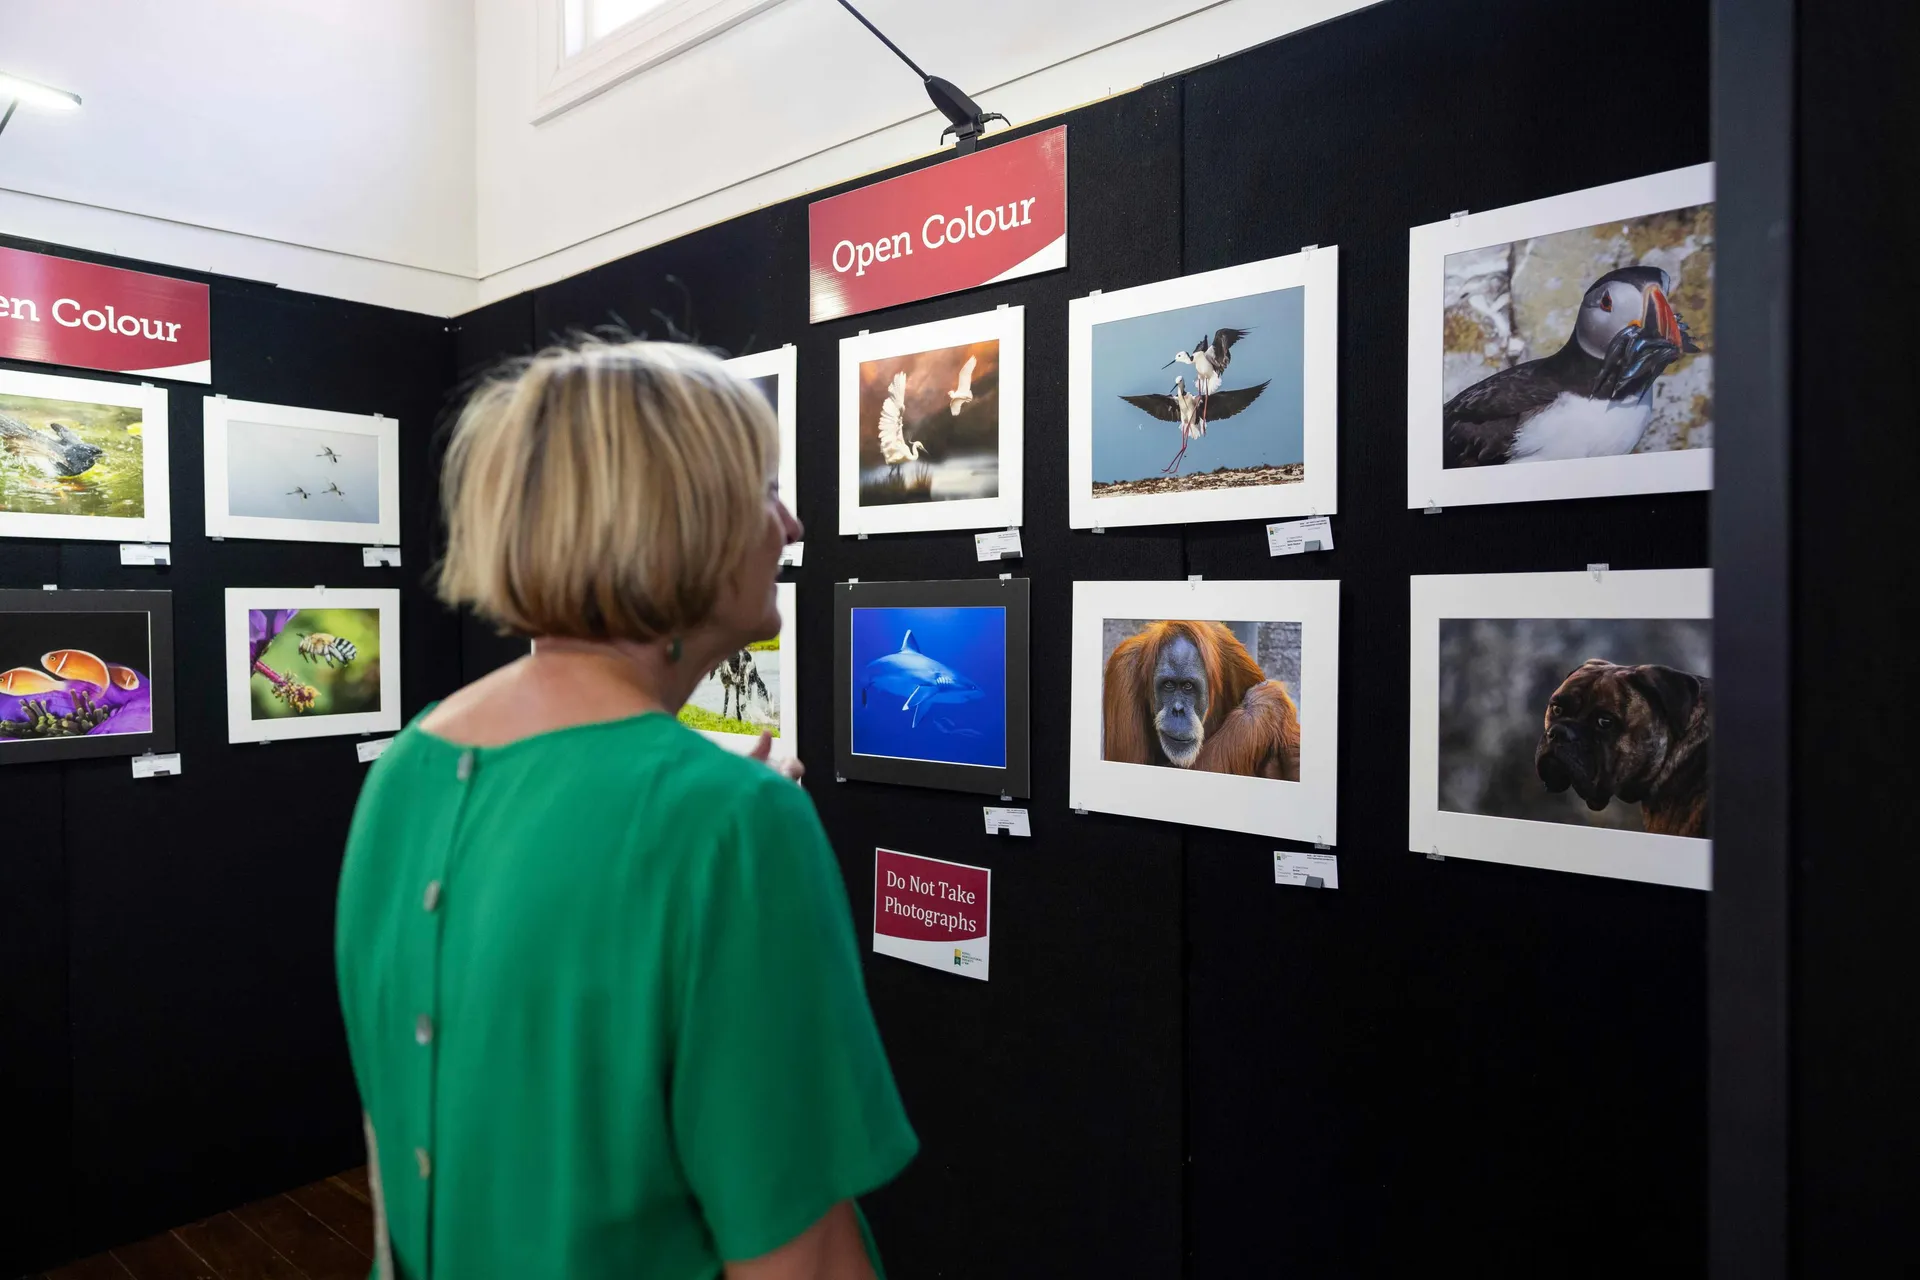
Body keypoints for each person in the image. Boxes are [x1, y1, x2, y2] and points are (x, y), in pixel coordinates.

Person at [336, 339, 917, 1278]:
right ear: (681, 523)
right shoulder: (734, 825)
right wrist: (725, 833)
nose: (793, 524)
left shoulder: (407, 765)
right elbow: (801, 1259)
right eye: (765, 489)